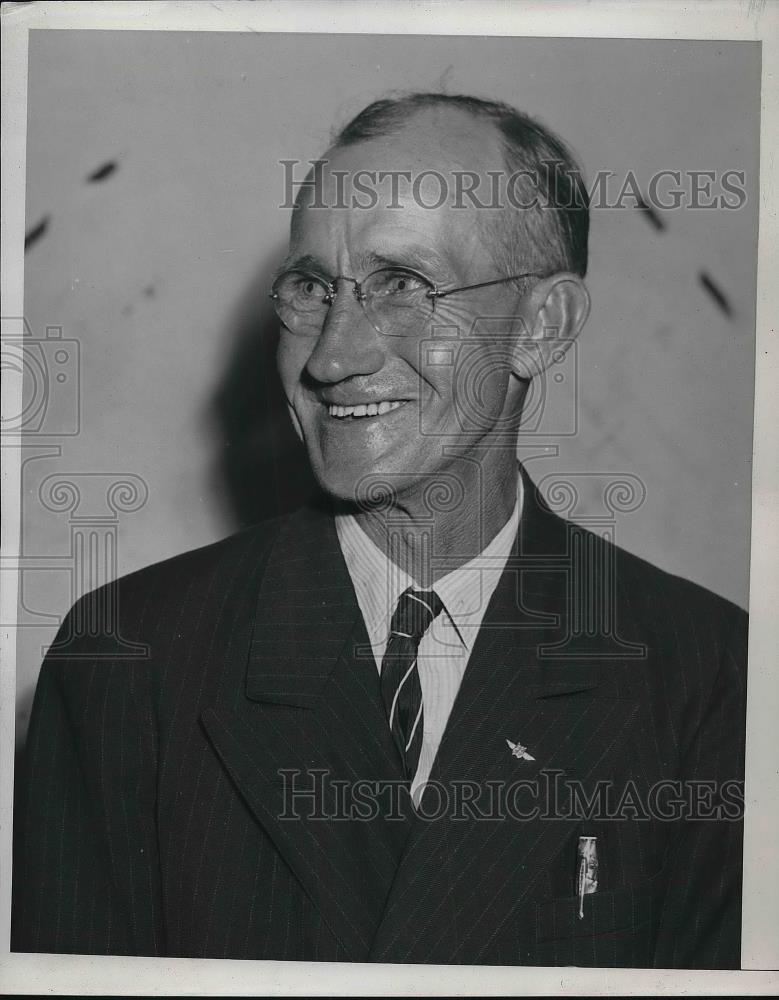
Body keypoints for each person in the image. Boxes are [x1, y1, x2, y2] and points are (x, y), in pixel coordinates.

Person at [12, 93, 747, 967]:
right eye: (313, 288)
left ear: (541, 327)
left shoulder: (708, 677)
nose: (328, 357)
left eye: (403, 285)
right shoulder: (129, 660)